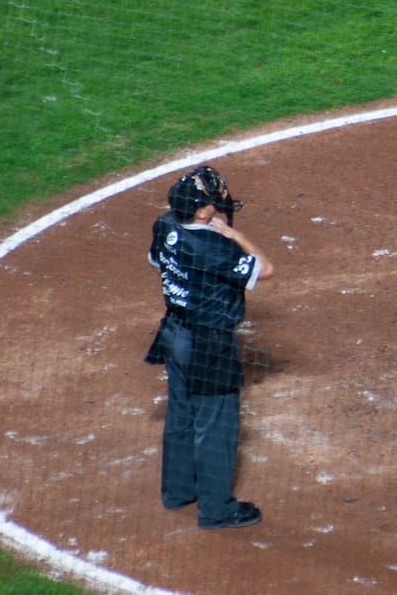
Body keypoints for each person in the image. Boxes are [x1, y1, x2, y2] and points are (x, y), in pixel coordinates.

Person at [144, 165, 275, 529]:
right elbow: (265, 269)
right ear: (202, 212)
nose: (217, 207)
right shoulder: (215, 246)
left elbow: (157, 260)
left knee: (181, 414)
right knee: (217, 425)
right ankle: (216, 510)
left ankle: (177, 491)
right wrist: (233, 234)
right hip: (208, 344)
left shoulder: (165, 226)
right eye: (211, 205)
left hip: (174, 334)